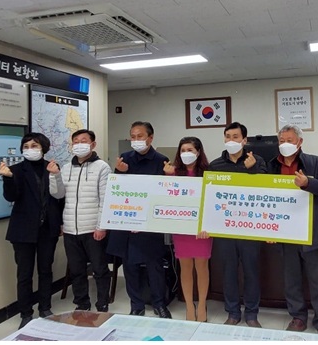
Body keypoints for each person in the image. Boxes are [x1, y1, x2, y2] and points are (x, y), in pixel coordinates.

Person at [267, 124, 318, 335]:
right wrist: (268, 230)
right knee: (291, 280)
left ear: (300, 142)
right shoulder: (271, 165)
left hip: (311, 231)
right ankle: (298, 317)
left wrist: (307, 183)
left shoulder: (314, 162)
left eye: (290, 140)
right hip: (286, 231)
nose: (285, 144)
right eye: (281, 141)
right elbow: (264, 196)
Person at [106, 121, 172, 318]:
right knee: (130, 267)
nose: (135, 140)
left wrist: (144, 220)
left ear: (150, 138)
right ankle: (136, 305)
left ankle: (159, 304)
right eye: (133, 136)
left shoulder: (161, 160)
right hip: (127, 223)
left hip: (150, 224)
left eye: (140, 136)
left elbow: (163, 193)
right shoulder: (124, 158)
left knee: (155, 267)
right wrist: (119, 172)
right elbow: (117, 191)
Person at [0, 132, 63, 329]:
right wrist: (8, 179)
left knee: (46, 270)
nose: (29, 149)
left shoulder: (52, 167)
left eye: (34, 146)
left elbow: (59, 198)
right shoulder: (15, 170)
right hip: (23, 230)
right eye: (26, 146)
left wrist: (59, 223)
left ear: (43, 147)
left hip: (47, 229)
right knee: (24, 274)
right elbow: (11, 197)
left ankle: (45, 308)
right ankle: (26, 313)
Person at [208, 121, 267, 328]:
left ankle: (251, 313)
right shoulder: (215, 165)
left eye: (235, 137)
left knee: (251, 272)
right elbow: (210, 196)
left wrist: (253, 170)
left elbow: (267, 190)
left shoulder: (257, 161)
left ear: (244, 140)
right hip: (225, 229)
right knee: (228, 272)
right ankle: (233, 312)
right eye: (228, 137)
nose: (231, 140)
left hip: (250, 228)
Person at [48, 129, 112, 313]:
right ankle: (82, 303)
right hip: (70, 228)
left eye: (83, 141)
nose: (79, 144)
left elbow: (105, 199)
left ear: (93, 144)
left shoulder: (102, 167)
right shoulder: (66, 167)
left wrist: (101, 226)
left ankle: (102, 302)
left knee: (99, 268)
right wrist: (54, 176)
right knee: (76, 270)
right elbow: (58, 194)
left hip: (93, 228)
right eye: (75, 141)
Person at [163, 137, 212, 322]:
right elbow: (166, 198)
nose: (186, 154)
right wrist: (167, 177)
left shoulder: (208, 173)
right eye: (183, 150)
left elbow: (213, 202)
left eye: (190, 150)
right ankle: (189, 306)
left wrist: (207, 224)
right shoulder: (173, 172)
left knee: (201, 267)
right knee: (185, 267)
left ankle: (202, 304)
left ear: (198, 152)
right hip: (182, 227)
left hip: (202, 229)